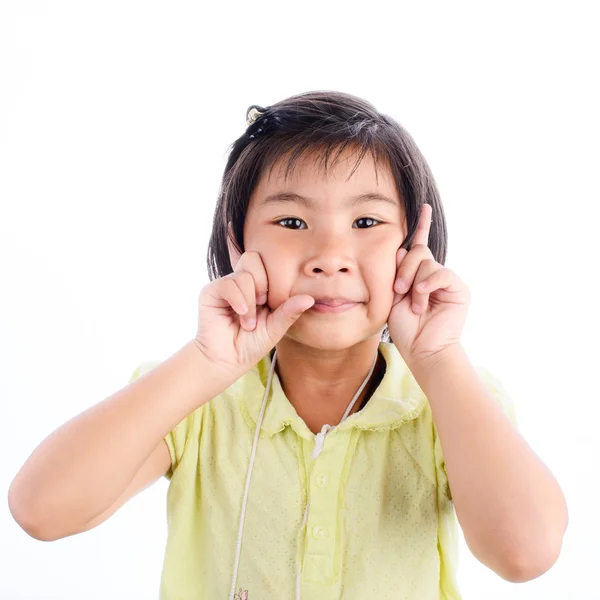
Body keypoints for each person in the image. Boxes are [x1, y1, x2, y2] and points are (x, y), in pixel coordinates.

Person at [8, 91, 568, 600]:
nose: (329, 254)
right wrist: (205, 364)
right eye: (292, 221)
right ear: (237, 243)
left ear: (414, 247)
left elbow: (526, 554)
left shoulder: (452, 398)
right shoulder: (198, 396)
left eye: (367, 220)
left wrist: (440, 362)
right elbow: (42, 510)